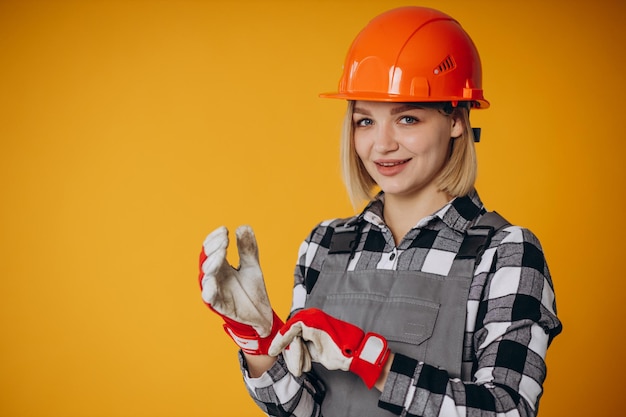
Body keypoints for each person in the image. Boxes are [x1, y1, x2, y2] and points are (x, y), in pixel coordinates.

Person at [198, 6, 562, 417]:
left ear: (457, 120)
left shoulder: (506, 254)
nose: (381, 145)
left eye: (407, 118)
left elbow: (508, 411)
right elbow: (302, 411)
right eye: (365, 121)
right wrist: (257, 340)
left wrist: (374, 360)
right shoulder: (324, 245)